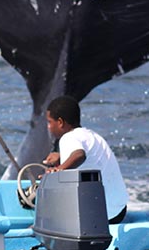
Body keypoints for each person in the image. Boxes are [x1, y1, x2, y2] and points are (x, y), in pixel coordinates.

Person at [43, 95, 129, 224]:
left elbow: (79, 155)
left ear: (60, 122)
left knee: (47, 213)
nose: (48, 127)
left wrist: (58, 170)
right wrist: (61, 158)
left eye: (49, 122)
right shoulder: (92, 136)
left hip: (103, 216)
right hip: (119, 211)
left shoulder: (68, 138)